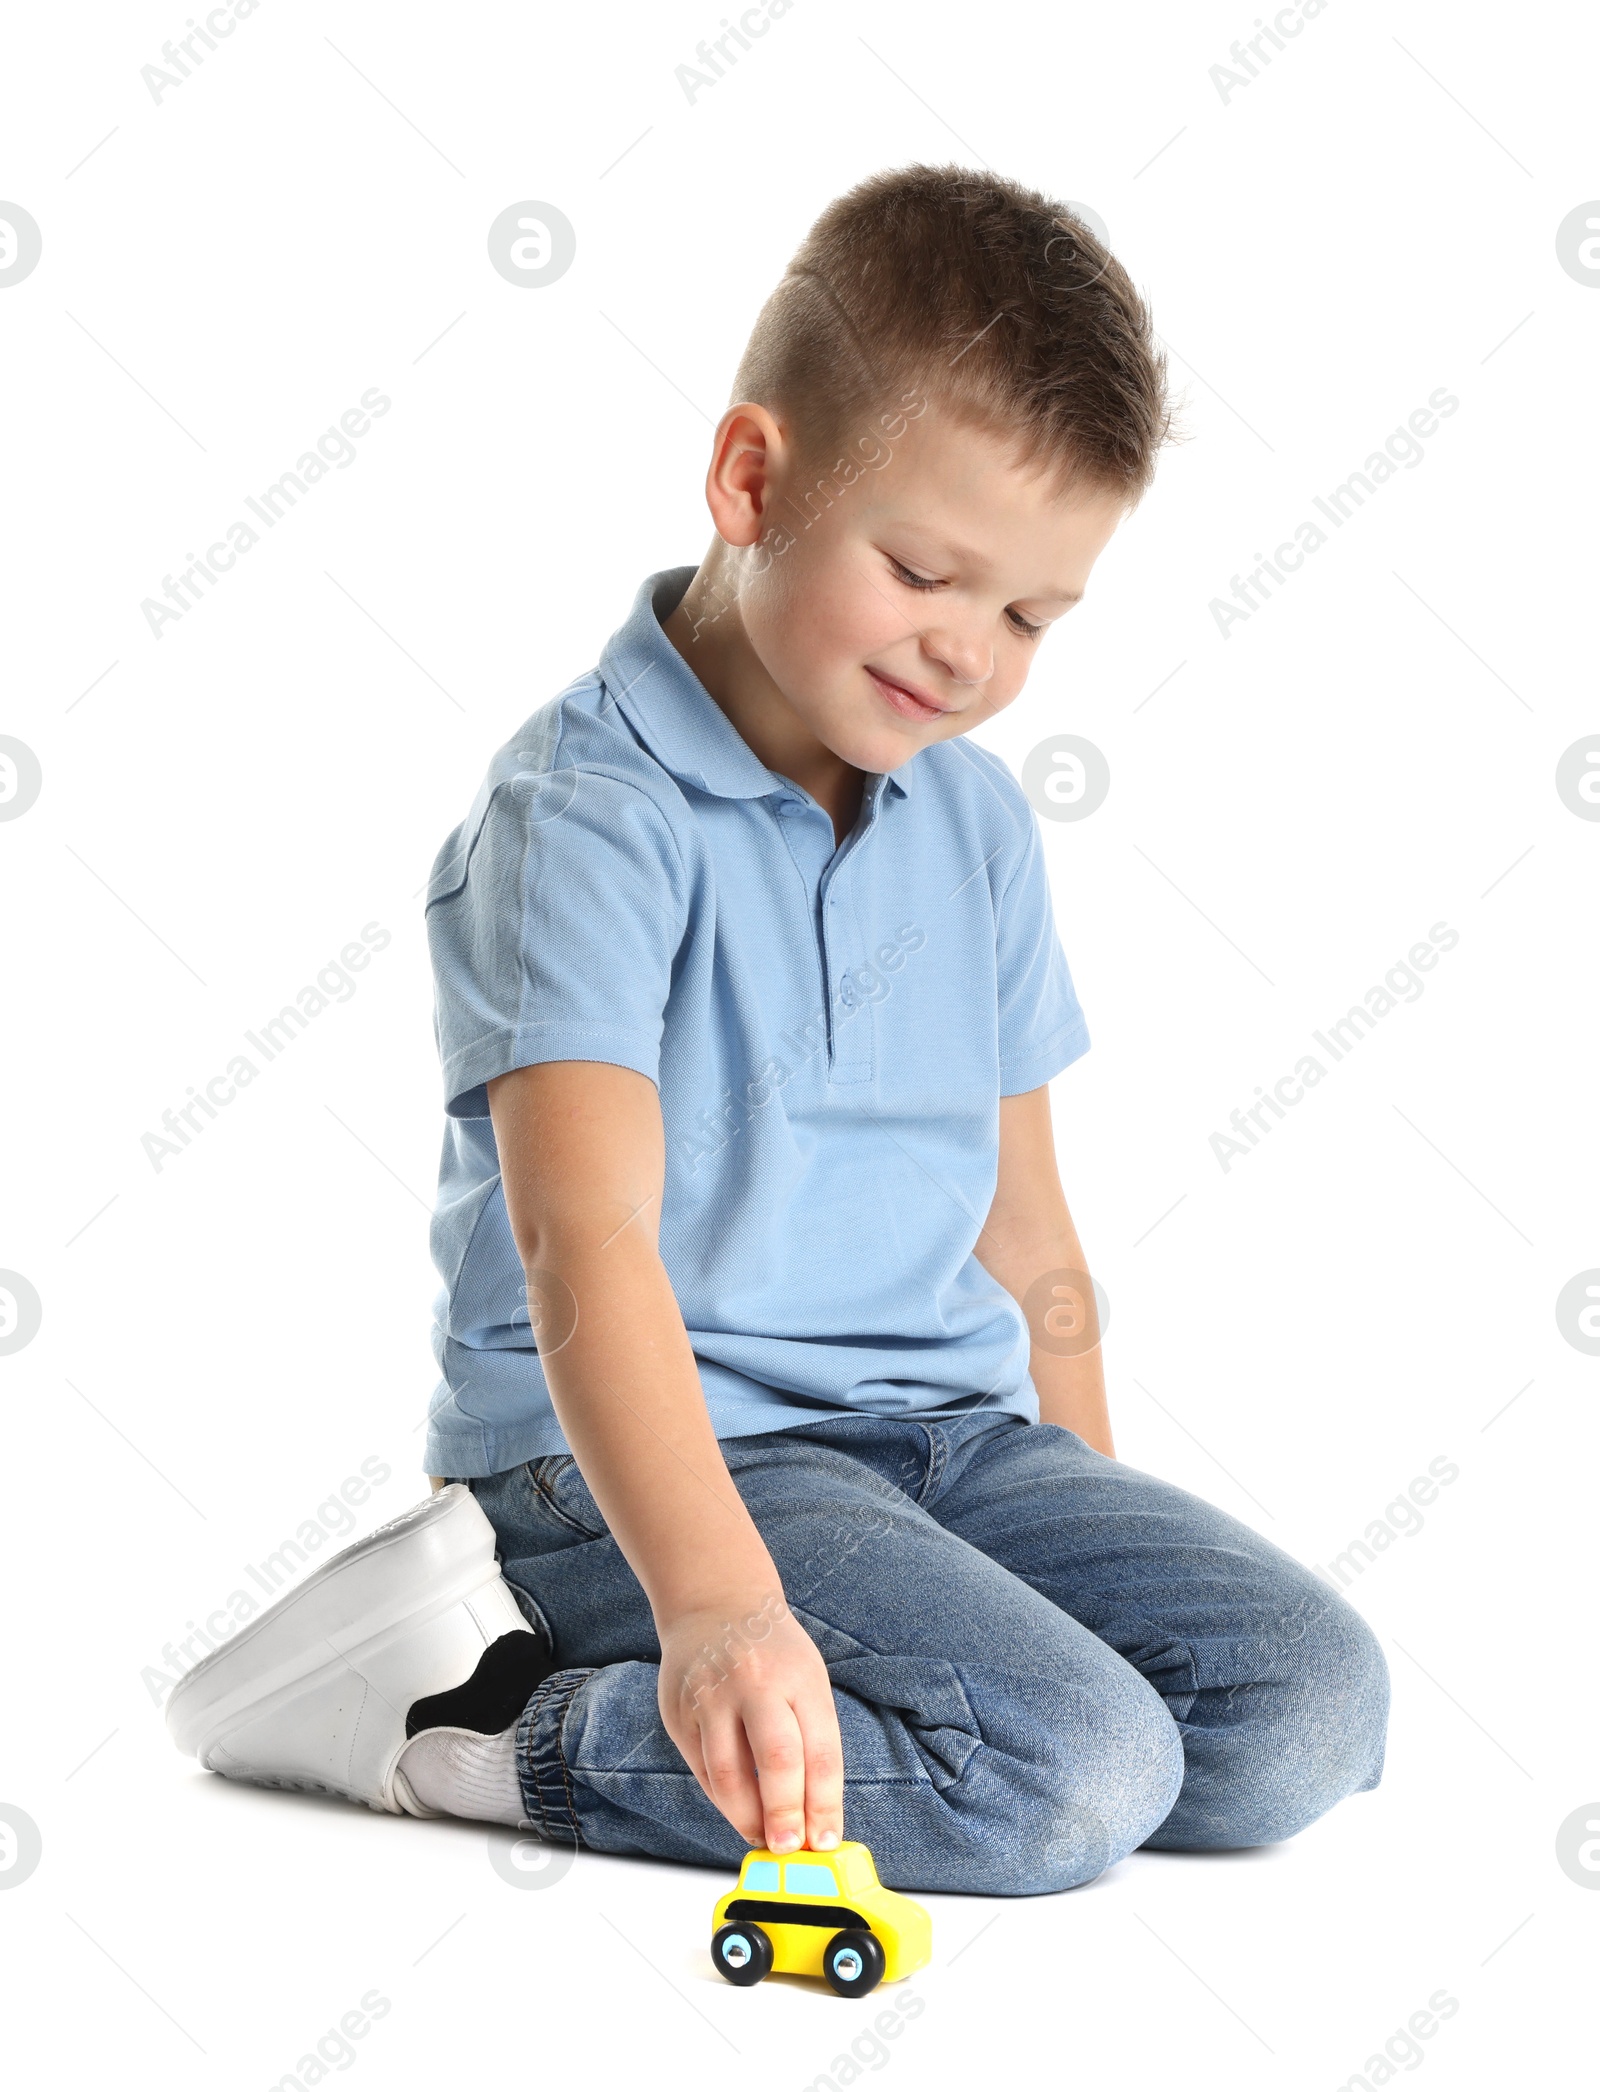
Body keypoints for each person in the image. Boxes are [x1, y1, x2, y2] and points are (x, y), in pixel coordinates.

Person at [166, 163, 1388, 1895]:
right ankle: (482, 1725)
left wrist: (1075, 1555)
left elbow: (1024, 1225)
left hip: (943, 1445)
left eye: (1032, 617)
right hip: (638, 1464)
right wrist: (722, 1604)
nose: (969, 653)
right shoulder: (587, 816)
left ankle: (917, 1701)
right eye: (926, 574)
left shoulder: (972, 831)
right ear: (755, 479)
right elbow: (579, 1236)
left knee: (1302, 1714)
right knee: (1066, 1774)